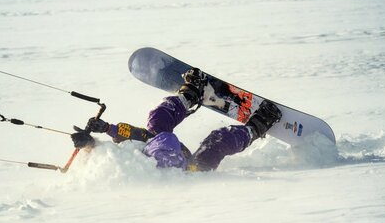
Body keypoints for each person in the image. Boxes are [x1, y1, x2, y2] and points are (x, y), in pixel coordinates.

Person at [71, 68, 282, 171]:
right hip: (193, 170)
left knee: (157, 119)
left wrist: (106, 128)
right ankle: (256, 127)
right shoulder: (148, 170)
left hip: (166, 148)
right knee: (218, 141)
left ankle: (190, 94)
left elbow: (133, 135)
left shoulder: (146, 148)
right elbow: (106, 168)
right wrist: (89, 146)